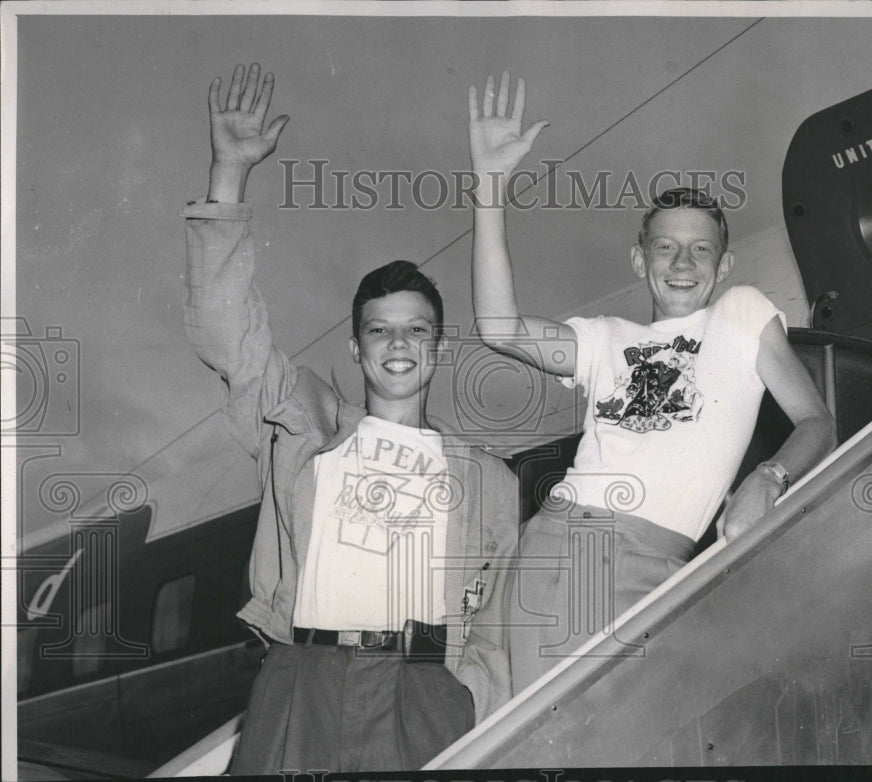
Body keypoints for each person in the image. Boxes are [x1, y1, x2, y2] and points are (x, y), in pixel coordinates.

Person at [183, 63, 518, 774]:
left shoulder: (490, 480)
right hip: (304, 675)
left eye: (417, 330)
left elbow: (501, 617)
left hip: (424, 688)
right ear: (356, 347)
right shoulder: (304, 430)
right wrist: (229, 174)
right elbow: (224, 333)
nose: (399, 344)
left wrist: (469, 698)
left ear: (439, 346)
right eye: (380, 330)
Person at [467, 71, 837, 692]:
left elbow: (818, 422)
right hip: (553, 541)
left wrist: (768, 478)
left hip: (645, 558)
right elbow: (498, 328)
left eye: (700, 249)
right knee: (496, 723)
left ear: (725, 264)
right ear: (641, 260)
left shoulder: (741, 312)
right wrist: (489, 185)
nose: (684, 263)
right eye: (666, 248)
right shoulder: (604, 336)